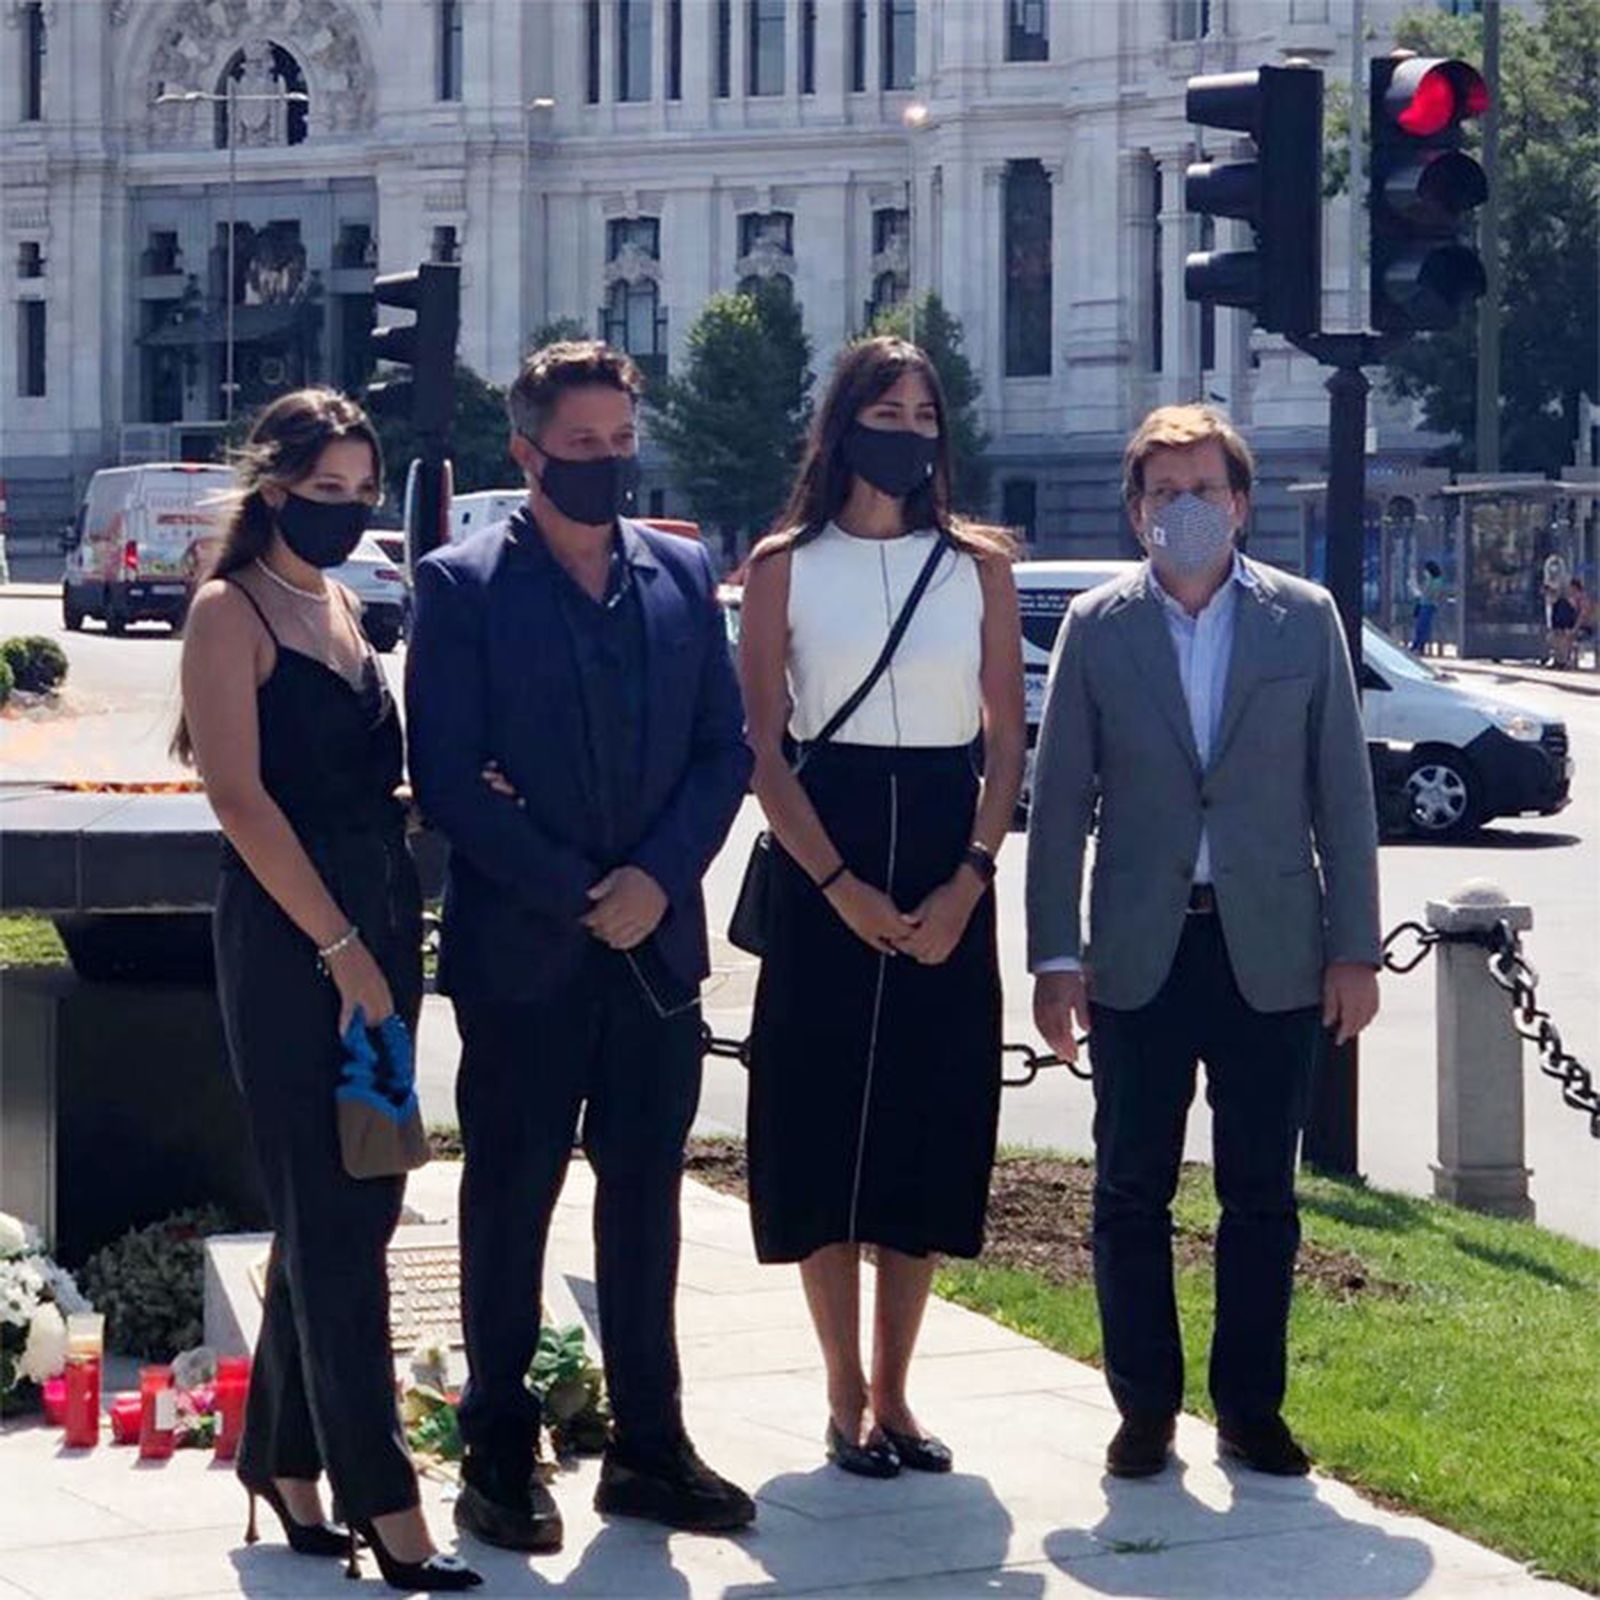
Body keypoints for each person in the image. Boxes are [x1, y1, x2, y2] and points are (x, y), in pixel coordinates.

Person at [406, 342, 755, 1552]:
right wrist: (576, 892)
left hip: (655, 952)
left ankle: (650, 1446)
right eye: (580, 448)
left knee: (646, 1201)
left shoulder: (681, 569)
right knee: (510, 1200)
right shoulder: (460, 585)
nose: (606, 465)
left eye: (620, 444)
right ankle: (497, 1454)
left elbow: (728, 749)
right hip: (527, 953)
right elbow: (447, 774)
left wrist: (657, 881)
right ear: (527, 452)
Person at [1026, 404, 1381, 1482]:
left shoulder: (1302, 618)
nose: (1185, 510)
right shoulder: (1097, 624)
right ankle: (1144, 1407)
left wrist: (1354, 947)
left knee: (1260, 1196)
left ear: (1241, 502)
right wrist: (1053, 958)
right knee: (1130, 1189)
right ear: (1137, 511)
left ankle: (1249, 1408)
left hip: (1269, 946)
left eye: (1204, 490)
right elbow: (1060, 804)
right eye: (1164, 493)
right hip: (1140, 948)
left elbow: (1343, 796)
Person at [175, 389, 480, 1592]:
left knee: (360, 1194)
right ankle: (387, 1502)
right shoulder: (226, 610)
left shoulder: (346, 605)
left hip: (380, 937)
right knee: (332, 1217)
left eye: (364, 493)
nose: (349, 512)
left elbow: (368, 783)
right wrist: (343, 948)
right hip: (293, 945)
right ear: (275, 485)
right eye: (327, 493)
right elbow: (241, 803)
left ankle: (285, 1461)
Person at [740, 337, 1026, 1478]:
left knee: (928, 1122)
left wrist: (969, 877)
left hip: (945, 839)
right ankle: (842, 1391)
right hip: (830, 845)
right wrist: (836, 884)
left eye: (924, 412)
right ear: (843, 421)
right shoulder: (781, 564)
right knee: (820, 1126)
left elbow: (1006, 740)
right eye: (885, 407)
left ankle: (900, 1392)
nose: (906, 429)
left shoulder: (980, 567)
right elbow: (763, 746)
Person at [1410, 559, 1446, 654]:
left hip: (1429, 605)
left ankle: (1418, 646)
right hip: (1423, 604)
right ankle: (1417, 646)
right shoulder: (1429, 580)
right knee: (1419, 627)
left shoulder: (1437, 581)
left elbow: (1431, 593)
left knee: (1422, 627)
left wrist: (1421, 591)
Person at [1549, 580, 1580, 669]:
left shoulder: (1578, 599)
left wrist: (1573, 629)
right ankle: (1559, 660)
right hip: (1564, 626)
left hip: (1574, 626)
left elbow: (1580, 616)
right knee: (1554, 638)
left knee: (1564, 639)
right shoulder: (1560, 602)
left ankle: (1564, 661)